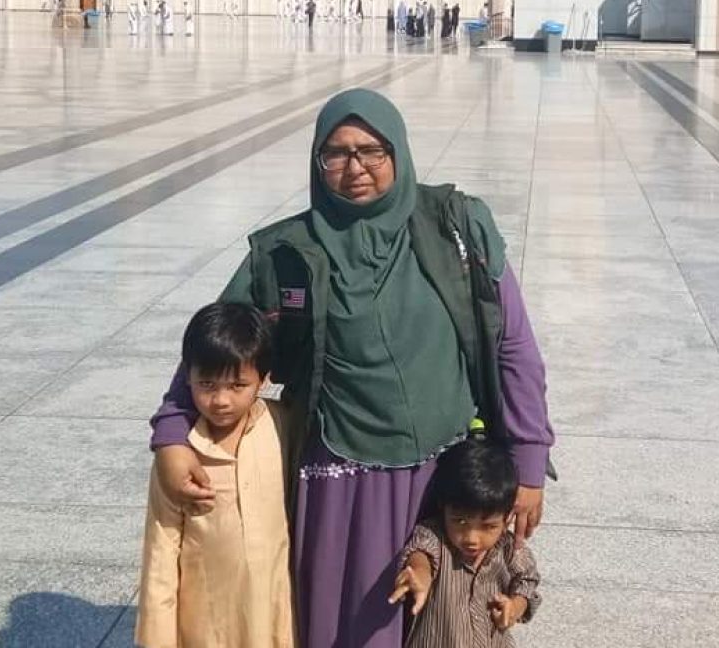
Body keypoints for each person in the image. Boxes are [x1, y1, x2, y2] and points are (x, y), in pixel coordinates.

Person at [150, 89, 553, 648]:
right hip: (343, 479)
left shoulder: (456, 227)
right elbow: (219, 343)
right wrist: (172, 432)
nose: (354, 167)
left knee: (451, 625)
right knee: (354, 626)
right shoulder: (286, 252)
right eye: (335, 154)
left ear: (399, 151)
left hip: (446, 476)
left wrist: (529, 463)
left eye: (371, 150)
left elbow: (514, 346)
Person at [136, 302, 295, 648]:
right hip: (207, 624)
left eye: (238, 385)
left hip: (273, 615)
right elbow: (161, 551)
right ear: (187, 376)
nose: (221, 400)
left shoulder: (283, 427)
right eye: (206, 384)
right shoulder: (181, 456)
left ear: (263, 380)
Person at [389, 435, 541, 647]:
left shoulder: (509, 547)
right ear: (443, 506)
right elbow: (421, 553)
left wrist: (515, 607)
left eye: (488, 526)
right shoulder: (434, 534)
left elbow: (527, 581)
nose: (471, 538)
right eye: (459, 521)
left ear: (507, 519)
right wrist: (420, 575)